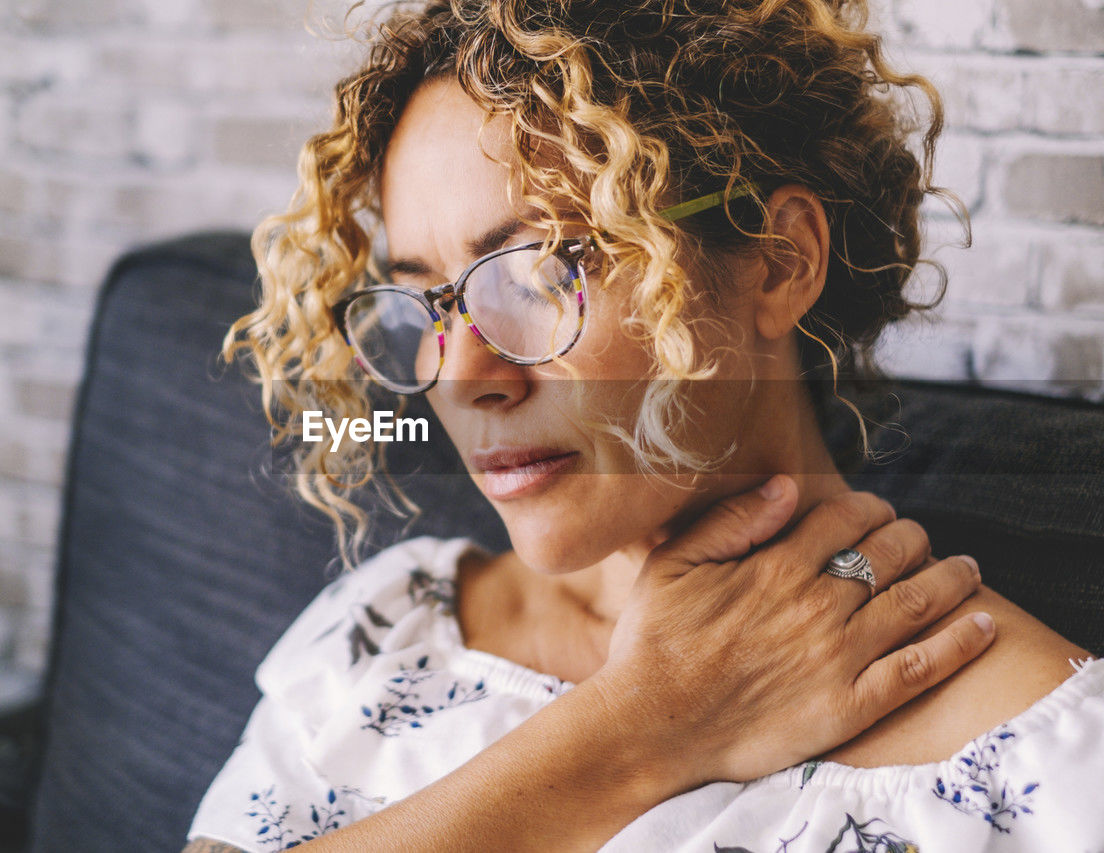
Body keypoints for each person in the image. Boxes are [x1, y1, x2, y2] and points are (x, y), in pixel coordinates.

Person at [185, 1, 1102, 850]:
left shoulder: (1041, 753)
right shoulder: (388, 628)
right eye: (429, 301)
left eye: (542, 271)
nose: (462, 377)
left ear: (779, 262)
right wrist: (636, 729)